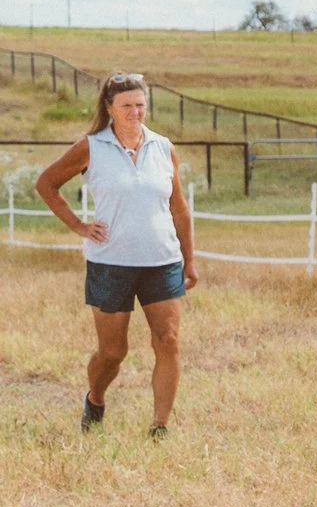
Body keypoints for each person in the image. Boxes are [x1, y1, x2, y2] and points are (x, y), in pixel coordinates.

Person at [34, 73, 198, 437]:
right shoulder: (91, 147)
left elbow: (179, 209)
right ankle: (95, 398)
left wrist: (190, 259)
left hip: (162, 261)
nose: (135, 112)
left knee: (168, 340)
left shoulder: (163, 147)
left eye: (140, 105)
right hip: (111, 264)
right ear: (109, 108)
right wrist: (78, 225)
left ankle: (160, 427)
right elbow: (46, 183)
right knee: (113, 352)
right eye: (126, 105)